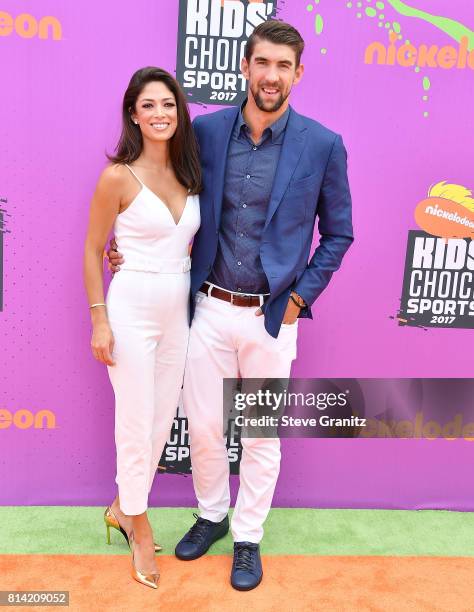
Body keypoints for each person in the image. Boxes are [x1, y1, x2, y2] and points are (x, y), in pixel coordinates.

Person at [109, 20, 353, 591]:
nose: (271, 76)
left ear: (298, 73)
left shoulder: (322, 145)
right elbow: (163, 194)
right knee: (206, 428)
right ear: (245, 67)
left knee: (261, 434)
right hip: (209, 308)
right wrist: (135, 252)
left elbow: (339, 233)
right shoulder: (208, 133)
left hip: (272, 319)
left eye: (283, 66)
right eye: (262, 63)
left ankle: (247, 537)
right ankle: (213, 514)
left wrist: (299, 298)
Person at [83, 66, 201, 589]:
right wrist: (99, 319)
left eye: (168, 104)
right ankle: (138, 519)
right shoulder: (117, 176)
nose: (160, 114)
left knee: (160, 420)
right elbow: (92, 250)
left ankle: (120, 505)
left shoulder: (191, 173)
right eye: (149, 105)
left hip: (178, 307)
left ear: (180, 112)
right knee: (135, 418)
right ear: (133, 113)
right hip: (129, 308)